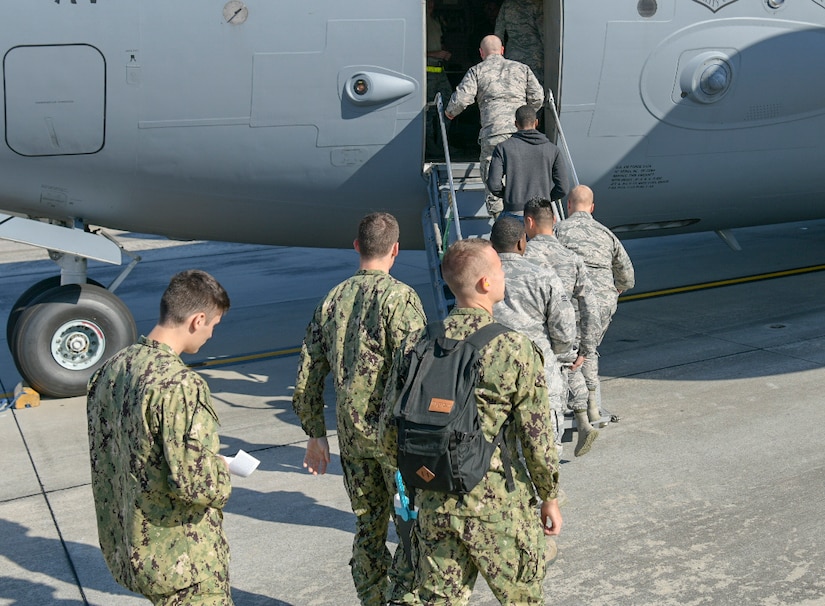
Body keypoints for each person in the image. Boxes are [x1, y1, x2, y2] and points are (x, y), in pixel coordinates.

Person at [380, 238, 562, 605]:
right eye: (499, 269)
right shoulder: (513, 348)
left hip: (434, 501)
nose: (503, 274)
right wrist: (550, 496)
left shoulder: (417, 344)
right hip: (495, 506)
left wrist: (416, 483)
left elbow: (388, 428)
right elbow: (537, 437)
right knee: (522, 598)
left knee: (438, 599)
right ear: (485, 284)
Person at [292, 212, 427, 606]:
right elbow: (415, 374)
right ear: (396, 250)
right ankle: (404, 597)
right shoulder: (400, 299)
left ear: (357, 247)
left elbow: (308, 375)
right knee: (409, 523)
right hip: (394, 441)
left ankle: (371, 597)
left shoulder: (331, 300)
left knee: (368, 523)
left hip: (352, 440)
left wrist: (315, 435)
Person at [87, 269, 233, 605]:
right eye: (213, 325)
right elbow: (198, 484)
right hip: (183, 562)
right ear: (197, 320)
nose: (210, 335)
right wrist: (221, 469)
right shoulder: (180, 386)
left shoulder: (112, 369)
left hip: (132, 547)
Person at [490, 216, 576, 457]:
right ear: (521, 243)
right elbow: (564, 330)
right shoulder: (543, 277)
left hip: (494, 379)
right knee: (544, 454)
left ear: (491, 243)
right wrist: (557, 354)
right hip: (540, 376)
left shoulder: (480, 281)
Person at [524, 197, 602, 457]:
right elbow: (590, 305)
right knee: (571, 364)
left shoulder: (525, 256)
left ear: (528, 222)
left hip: (537, 333)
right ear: (555, 221)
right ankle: (584, 417)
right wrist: (587, 348)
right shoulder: (572, 258)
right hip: (568, 327)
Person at [555, 184, 636, 420]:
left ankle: (575, 405)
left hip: (571, 302)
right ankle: (592, 402)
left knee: (569, 352)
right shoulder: (605, 233)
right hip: (601, 302)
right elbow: (627, 275)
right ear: (592, 207)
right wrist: (615, 289)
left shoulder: (559, 231)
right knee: (589, 350)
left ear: (568, 205)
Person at [444, 35, 544, 217]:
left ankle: (501, 222)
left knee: (493, 176)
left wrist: (449, 112)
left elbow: (462, 99)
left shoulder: (477, 70)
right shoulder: (522, 69)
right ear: (503, 50)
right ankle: (529, 219)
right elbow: (538, 97)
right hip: (521, 132)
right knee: (522, 173)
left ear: (481, 53)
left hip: (493, 133)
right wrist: (527, 114)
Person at [486, 105, 570, 216]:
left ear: (516, 124)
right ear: (536, 122)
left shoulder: (503, 148)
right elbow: (563, 188)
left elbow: (493, 184)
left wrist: (509, 195)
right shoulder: (553, 150)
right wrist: (546, 199)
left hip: (514, 211)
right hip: (542, 214)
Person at [494, 0, 545, 88]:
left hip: (513, 53)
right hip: (534, 54)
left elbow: (499, 32)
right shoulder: (536, 4)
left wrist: (497, 56)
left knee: (514, 87)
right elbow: (543, 32)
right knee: (535, 87)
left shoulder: (507, 5)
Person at [426, 0, 453, 159]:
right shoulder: (419, 23)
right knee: (428, 110)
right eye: (428, 2)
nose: (431, 5)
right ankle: (430, 146)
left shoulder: (435, 23)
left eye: (432, 3)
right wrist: (437, 54)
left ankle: (444, 144)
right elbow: (413, 51)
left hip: (439, 71)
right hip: (427, 73)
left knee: (450, 105)